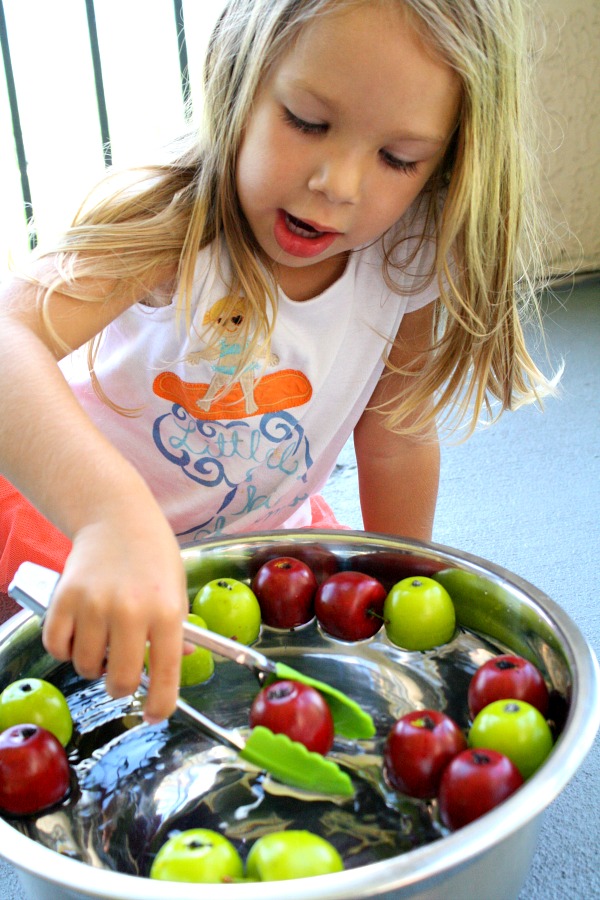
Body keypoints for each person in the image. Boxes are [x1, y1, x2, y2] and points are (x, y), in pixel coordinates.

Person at [0, 0, 557, 723]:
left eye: (398, 159)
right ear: (242, 78)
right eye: (307, 120)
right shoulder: (171, 219)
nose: (340, 183)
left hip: (251, 536)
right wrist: (109, 518)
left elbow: (396, 437)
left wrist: (399, 587)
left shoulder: (408, 254)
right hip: (73, 522)